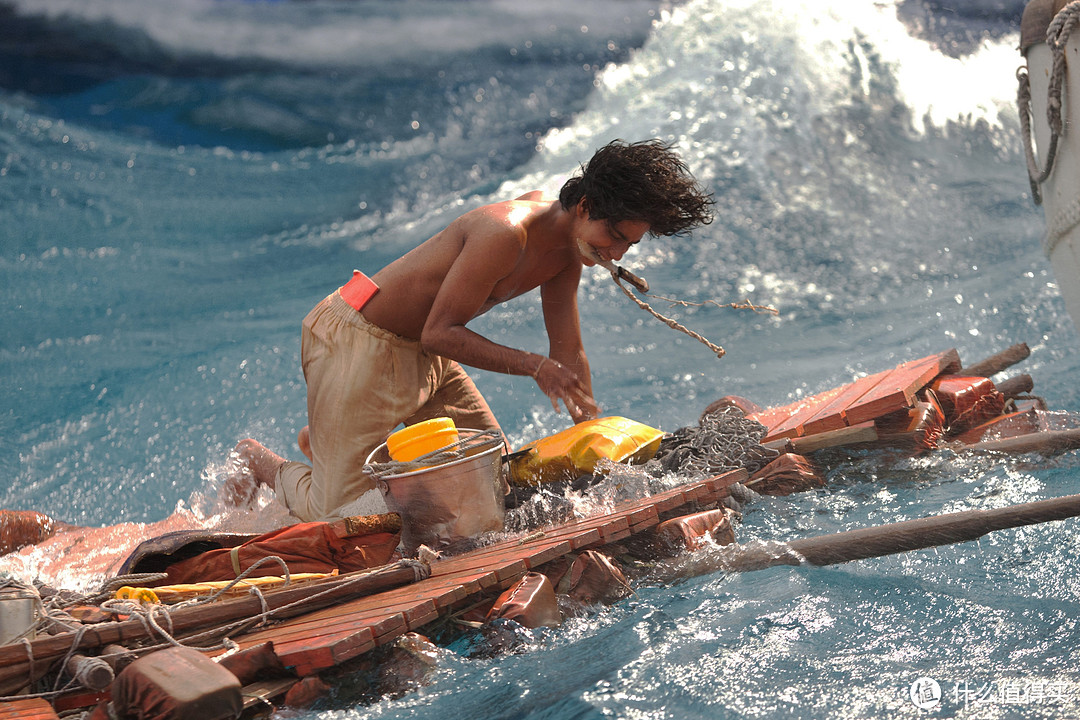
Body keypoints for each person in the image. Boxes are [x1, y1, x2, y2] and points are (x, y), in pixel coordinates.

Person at [228, 139, 715, 522]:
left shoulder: (571, 252)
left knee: (489, 482)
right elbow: (440, 333)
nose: (618, 254)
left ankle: (332, 439)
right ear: (585, 205)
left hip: (423, 355)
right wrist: (533, 367)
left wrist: (595, 438)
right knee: (335, 518)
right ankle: (263, 461)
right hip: (356, 340)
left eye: (629, 244)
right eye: (615, 237)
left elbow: (568, 352)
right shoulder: (505, 233)